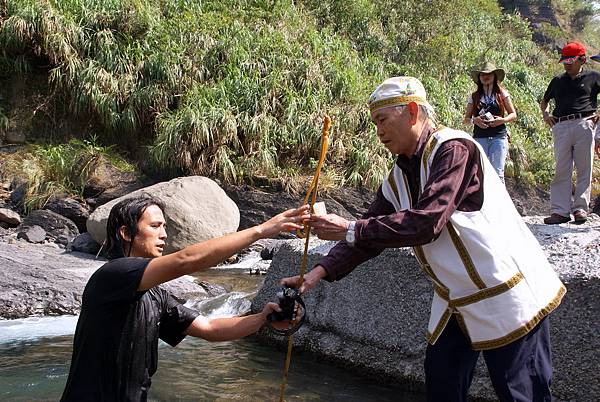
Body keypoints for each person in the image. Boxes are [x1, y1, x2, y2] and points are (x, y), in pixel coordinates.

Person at [282, 76, 566, 402]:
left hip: (505, 290)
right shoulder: (399, 175)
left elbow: (428, 221)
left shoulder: (455, 149)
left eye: (383, 120)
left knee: (520, 393)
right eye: (375, 123)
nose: (379, 131)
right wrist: (318, 272)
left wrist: (349, 227)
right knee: (442, 384)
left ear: (413, 112)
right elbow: (369, 232)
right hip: (455, 297)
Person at [61, 196, 310, 401]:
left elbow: (210, 329)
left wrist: (263, 318)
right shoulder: (112, 275)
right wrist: (261, 230)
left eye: (165, 227)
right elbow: (185, 260)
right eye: (155, 226)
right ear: (126, 233)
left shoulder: (155, 295)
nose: (164, 235)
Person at [540, 41, 600, 224]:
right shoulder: (558, 80)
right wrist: (546, 115)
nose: (567, 64)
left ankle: (581, 208)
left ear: (582, 60)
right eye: (565, 61)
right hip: (561, 125)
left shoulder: (593, 77)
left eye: (571, 61)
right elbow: (544, 101)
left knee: (584, 168)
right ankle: (560, 211)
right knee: (561, 169)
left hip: (584, 123)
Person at [463, 61, 517, 183]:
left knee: (498, 173)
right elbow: (466, 119)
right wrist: (474, 120)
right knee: (479, 172)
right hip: (480, 137)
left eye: (489, 74)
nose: (485, 77)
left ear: (494, 76)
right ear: (479, 78)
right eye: (482, 75)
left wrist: (502, 120)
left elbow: (513, 114)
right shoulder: (474, 96)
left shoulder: (502, 94)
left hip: (499, 137)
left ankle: (500, 202)